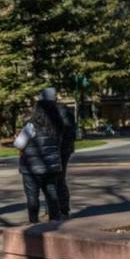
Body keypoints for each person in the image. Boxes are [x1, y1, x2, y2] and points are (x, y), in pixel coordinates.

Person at [14, 97, 64, 224]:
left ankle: (34, 222)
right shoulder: (57, 126)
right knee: (52, 194)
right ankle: (55, 220)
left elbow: (19, 144)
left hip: (32, 168)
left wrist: (17, 138)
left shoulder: (31, 125)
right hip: (51, 167)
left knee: (32, 196)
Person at [46, 88, 77, 218]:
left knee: (58, 179)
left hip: (61, 150)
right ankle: (54, 209)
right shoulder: (48, 112)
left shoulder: (62, 111)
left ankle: (63, 209)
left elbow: (66, 132)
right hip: (52, 150)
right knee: (51, 180)